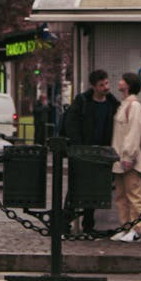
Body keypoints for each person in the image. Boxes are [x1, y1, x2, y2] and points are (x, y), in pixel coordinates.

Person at [60, 69, 120, 238]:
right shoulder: (82, 101)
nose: (106, 87)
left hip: (100, 153)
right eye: (102, 85)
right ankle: (65, 223)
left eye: (107, 83)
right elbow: (72, 125)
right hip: (82, 152)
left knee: (94, 190)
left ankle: (88, 225)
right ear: (93, 86)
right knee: (75, 189)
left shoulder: (112, 103)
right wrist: (79, 148)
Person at [110, 73, 141, 243]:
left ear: (129, 85)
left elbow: (133, 132)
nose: (119, 81)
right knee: (121, 196)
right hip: (119, 158)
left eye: (122, 79)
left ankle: (136, 230)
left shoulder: (134, 105)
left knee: (133, 195)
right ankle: (125, 228)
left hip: (128, 159)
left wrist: (128, 155)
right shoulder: (124, 104)